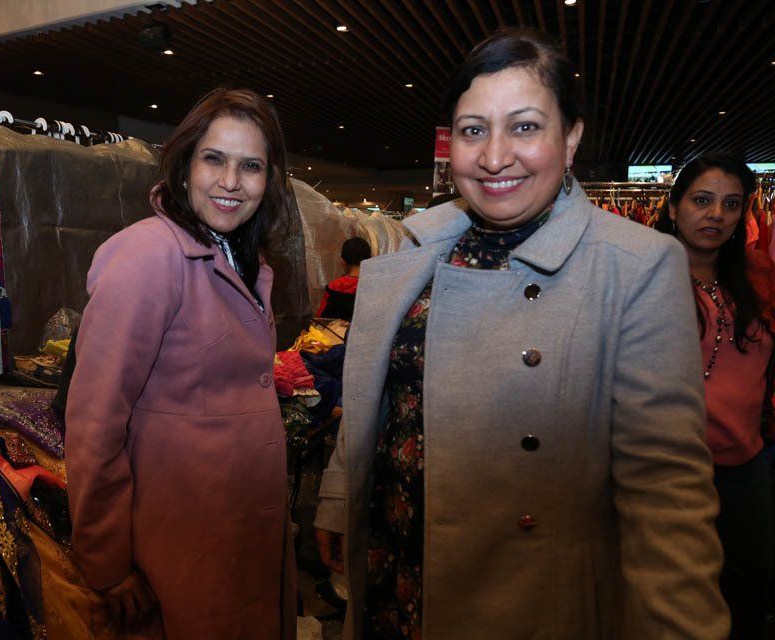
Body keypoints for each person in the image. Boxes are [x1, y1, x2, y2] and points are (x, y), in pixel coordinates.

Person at [313, 28, 729, 639]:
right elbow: (382, 404)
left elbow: (666, 492)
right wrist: (338, 497)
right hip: (395, 568)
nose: (493, 155)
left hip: (528, 601)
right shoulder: (414, 250)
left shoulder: (637, 265)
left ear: (572, 138)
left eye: (526, 127)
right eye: (473, 129)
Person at [65, 88, 295, 640]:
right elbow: (96, 424)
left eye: (251, 166)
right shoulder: (150, 254)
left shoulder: (248, 259)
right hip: (179, 545)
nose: (231, 181)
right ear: (185, 163)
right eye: (214, 159)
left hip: (240, 534)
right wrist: (105, 561)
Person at [655, 154, 775, 639]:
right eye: (702, 201)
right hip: (670, 470)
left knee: (749, 586)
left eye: (730, 205)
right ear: (673, 205)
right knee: (677, 601)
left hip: (747, 465)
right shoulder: (644, 278)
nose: (716, 215)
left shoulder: (757, 276)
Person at [316, 236, 371, 320]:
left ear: (342, 261)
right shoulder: (373, 286)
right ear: (369, 260)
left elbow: (320, 319)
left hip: (335, 332)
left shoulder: (334, 286)